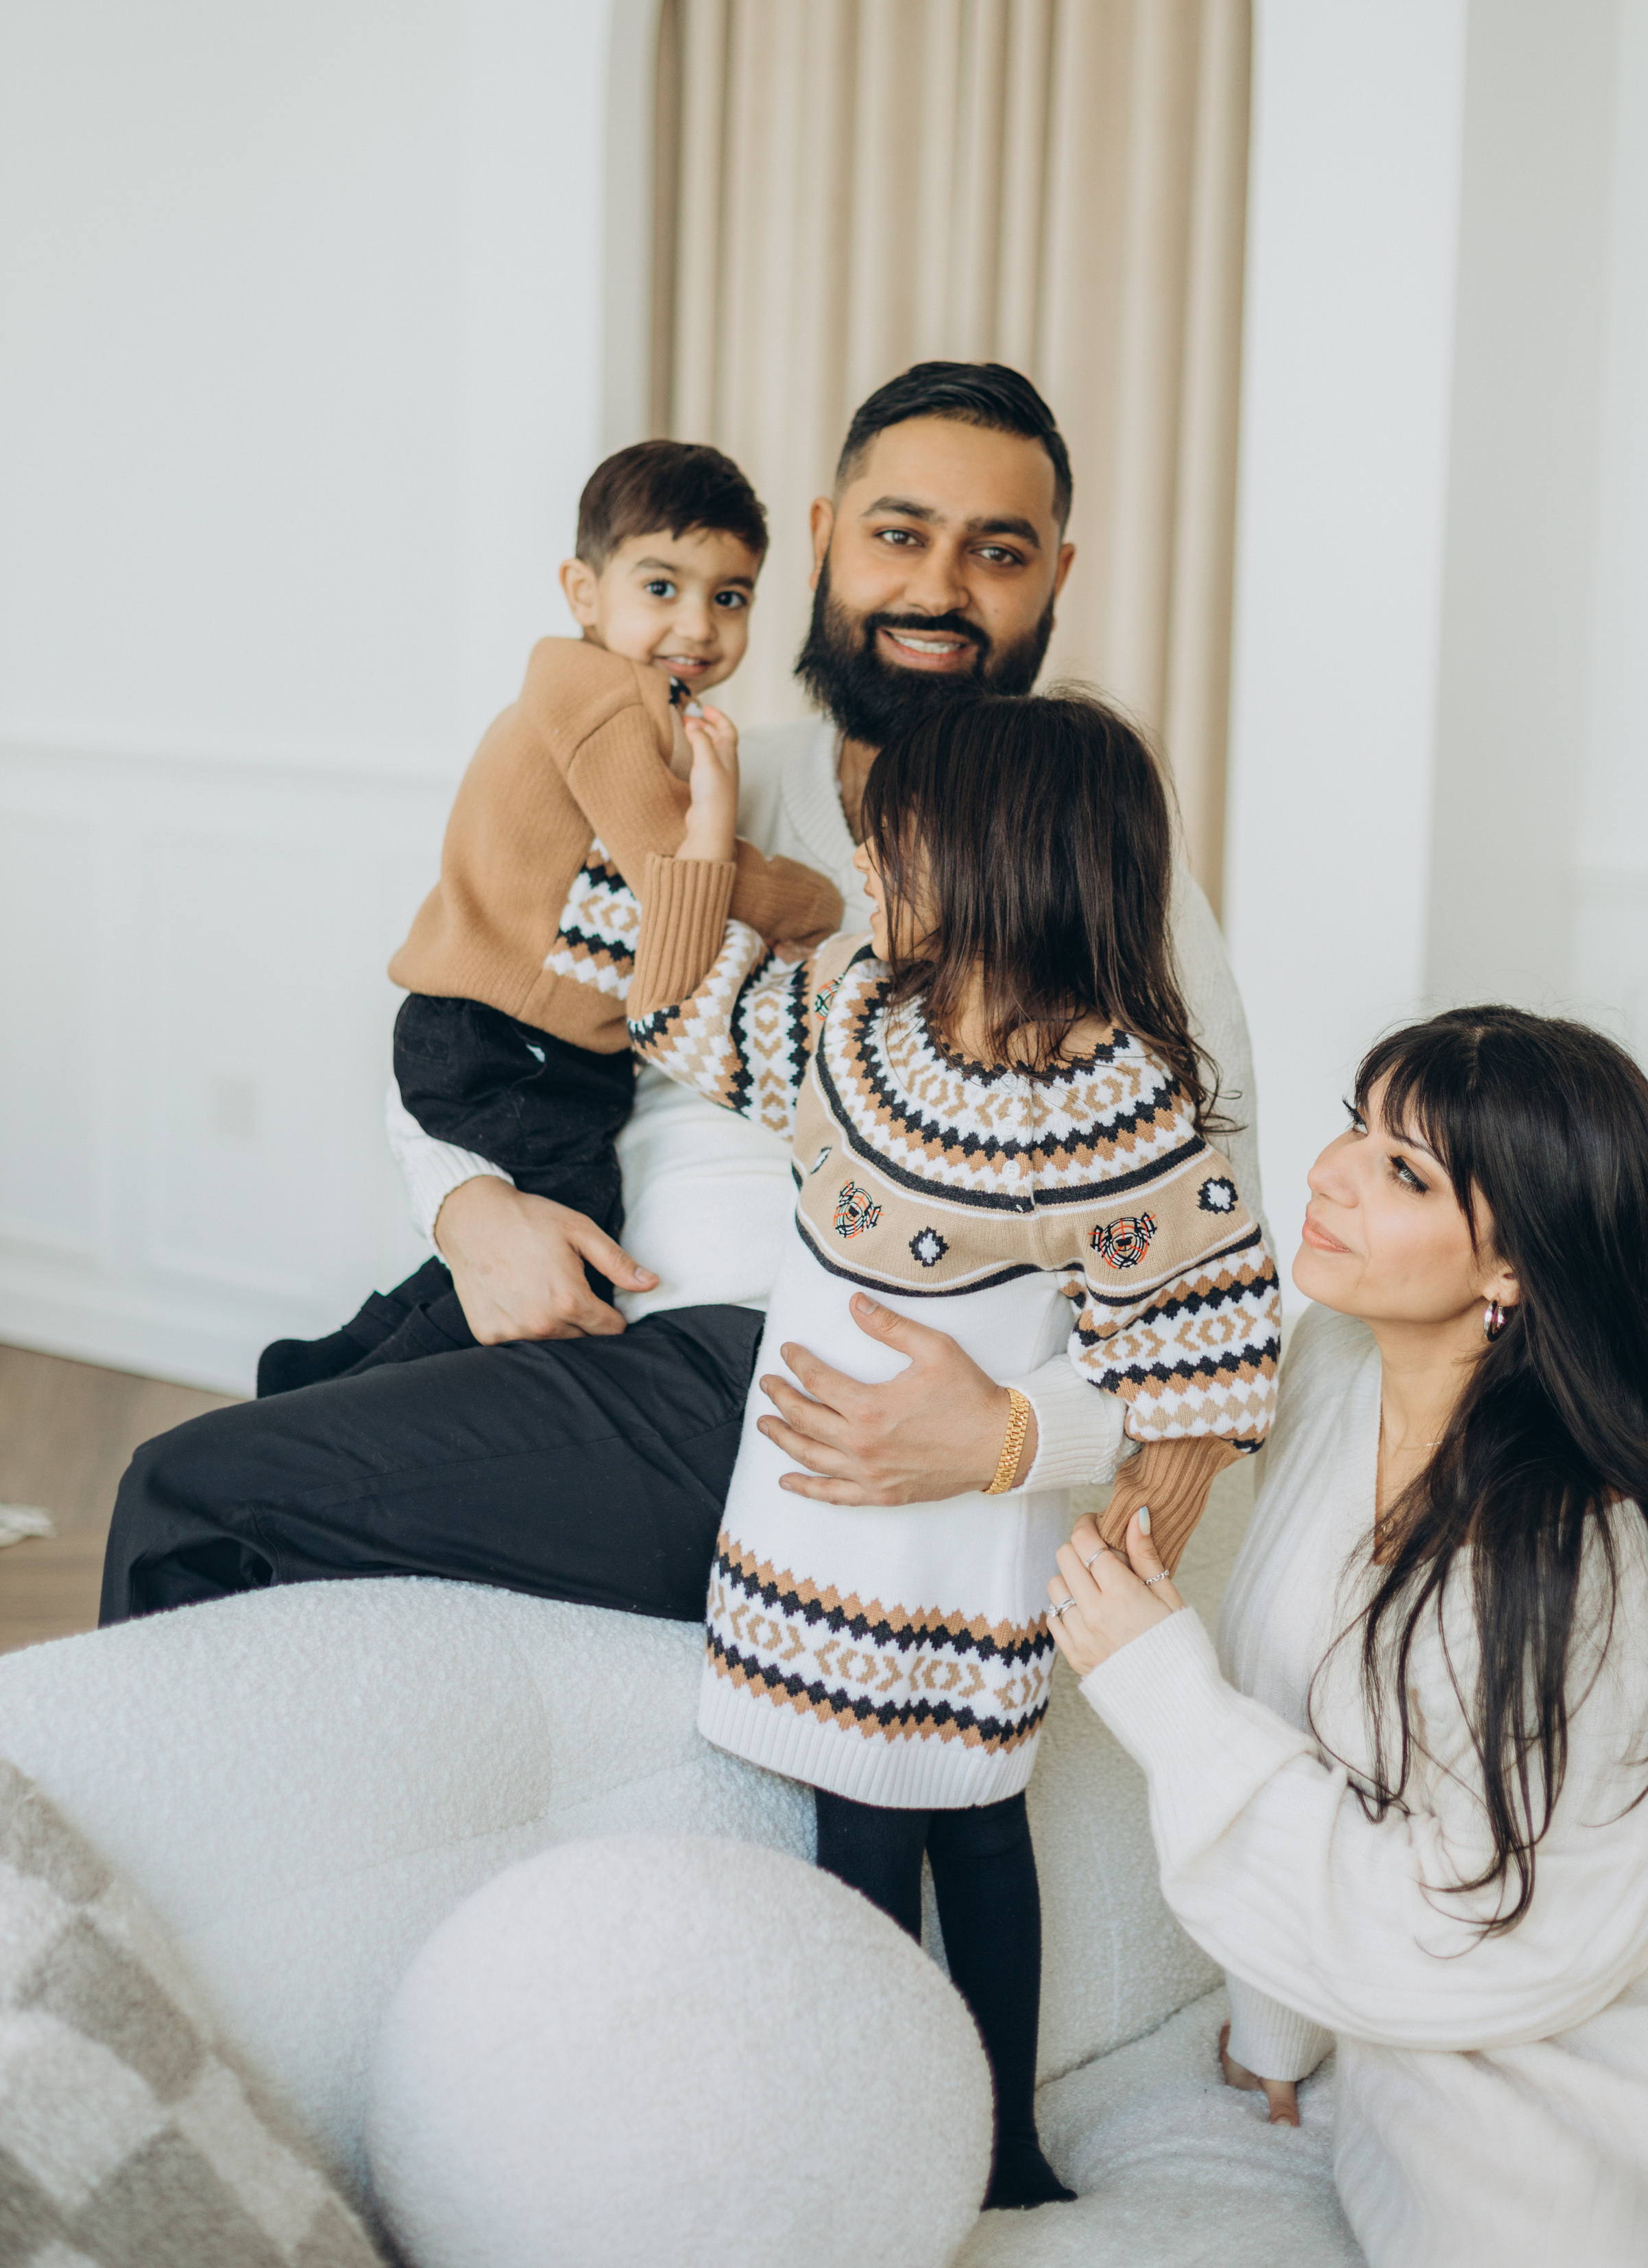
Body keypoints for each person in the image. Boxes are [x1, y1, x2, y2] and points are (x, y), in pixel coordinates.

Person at [100, 361, 1263, 1627]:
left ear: (1056, 577)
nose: (938, 588)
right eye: (900, 535)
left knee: (192, 1495)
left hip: (768, 1382)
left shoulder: (1108, 896)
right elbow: (489, 1004)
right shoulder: (699, 779)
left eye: (997, 551)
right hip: (593, 1331)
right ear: (823, 545)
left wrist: (1016, 1436)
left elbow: (1207, 1277)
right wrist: (471, 1210)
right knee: (270, 1446)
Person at [626, 687, 1279, 2208]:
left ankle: (990, 2148)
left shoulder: (1137, 1118)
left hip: (966, 1559)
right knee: (853, 1820)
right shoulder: (858, 1027)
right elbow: (675, 1009)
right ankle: (884, 2125)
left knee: (970, 1829)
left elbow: (1198, 1375)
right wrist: (706, 830)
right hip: (806, 1535)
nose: (868, 877)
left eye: (895, 851)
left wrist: (1049, 1480)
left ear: (1004, 866)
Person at [1045, 1008, 1648, 2267]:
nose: (1330, 1174)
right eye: (1353, 1127)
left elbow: (1478, 1939)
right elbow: (1292, 1702)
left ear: (1514, 1270)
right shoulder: (1335, 1366)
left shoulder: (1582, 1564)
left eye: (1403, 1171)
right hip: (1431, 2031)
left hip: (1626, 2064)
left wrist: (1158, 1687)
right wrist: (1273, 2038)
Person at [258, 440, 841, 1393]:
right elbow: (672, 865)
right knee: (564, 1250)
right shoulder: (607, 700)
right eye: (662, 586)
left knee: (529, 1237)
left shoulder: (640, 708)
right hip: (506, 1034)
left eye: (729, 597)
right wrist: (805, 900)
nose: (697, 622)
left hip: (521, 1039)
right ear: (584, 589)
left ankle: (322, 1374)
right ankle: (345, 1415)